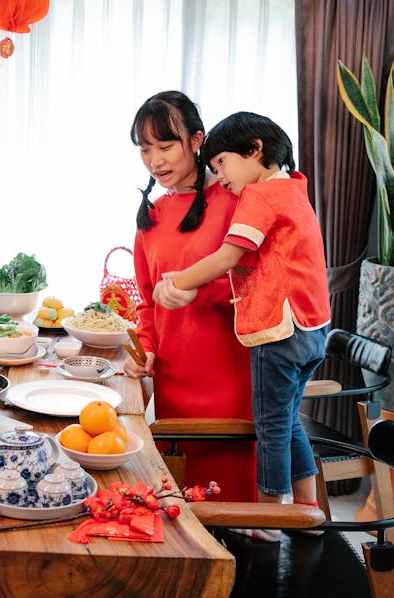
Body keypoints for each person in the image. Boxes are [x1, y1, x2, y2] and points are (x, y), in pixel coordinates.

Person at [154, 111, 331, 538]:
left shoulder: (260, 196)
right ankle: (307, 512)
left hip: (279, 330)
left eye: (222, 164)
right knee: (288, 421)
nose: (220, 177)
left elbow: (227, 256)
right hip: (313, 329)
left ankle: (267, 518)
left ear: (254, 151)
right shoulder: (295, 188)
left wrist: (177, 280)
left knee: (269, 427)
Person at [124, 91, 257, 505]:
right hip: (173, 382)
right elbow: (147, 304)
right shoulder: (152, 217)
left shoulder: (236, 200)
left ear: (196, 141)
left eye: (166, 146)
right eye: (146, 149)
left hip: (229, 378)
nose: (155, 160)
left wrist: (204, 289)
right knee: (181, 507)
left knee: (232, 508)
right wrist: (144, 348)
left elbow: (258, 280)